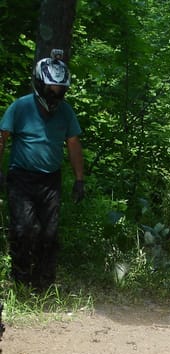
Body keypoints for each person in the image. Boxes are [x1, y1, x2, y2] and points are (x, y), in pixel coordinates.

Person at [0, 49, 85, 291]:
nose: (55, 93)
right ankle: (21, 280)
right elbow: (2, 138)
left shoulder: (65, 112)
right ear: (40, 84)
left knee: (49, 233)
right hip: (21, 178)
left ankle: (43, 284)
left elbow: (73, 144)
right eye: (51, 88)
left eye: (60, 89)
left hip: (50, 180)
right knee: (25, 229)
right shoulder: (20, 107)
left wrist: (79, 179)